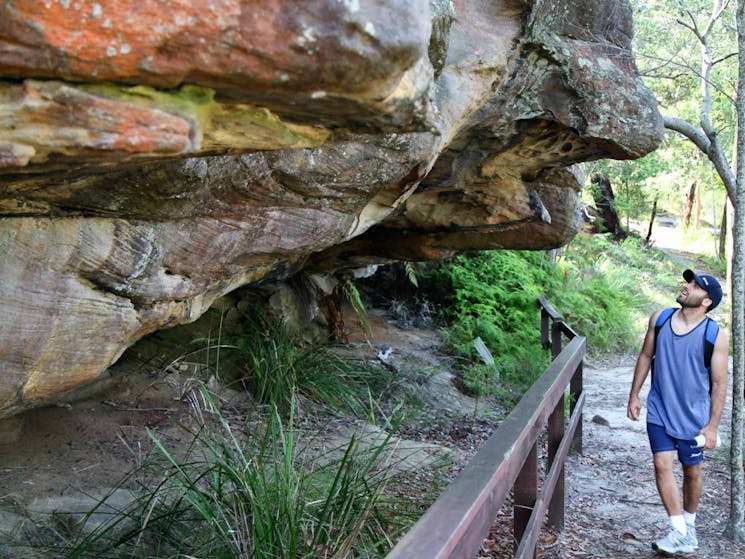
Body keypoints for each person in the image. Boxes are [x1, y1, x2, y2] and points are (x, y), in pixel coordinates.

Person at [627, 269, 728, 556]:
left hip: (694, 416)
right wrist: (634, 395)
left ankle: (690, 525)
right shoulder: (659, 319)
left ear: (706, 301)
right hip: (660, 407)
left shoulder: (715, 335)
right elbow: (646, 355)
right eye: (689, 282)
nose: (687, 287)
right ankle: (678, 531)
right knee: (661, 464)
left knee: (691, 471)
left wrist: (712, 427)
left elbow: (720, 383)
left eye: (695, 286)